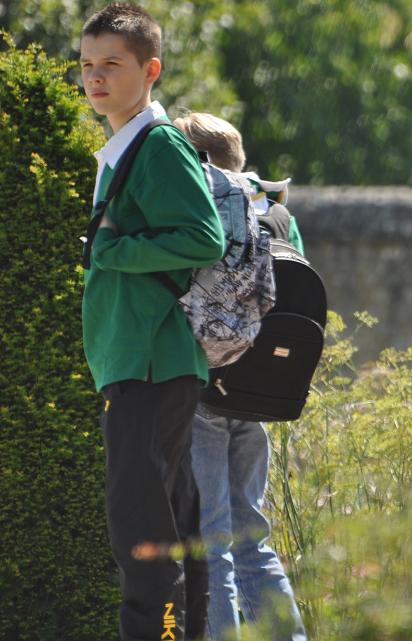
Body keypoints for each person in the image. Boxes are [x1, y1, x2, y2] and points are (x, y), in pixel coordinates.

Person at [79, 4, 225, 640]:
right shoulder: (124, 146)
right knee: (170, 524)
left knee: (142, 528)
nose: (96, 77)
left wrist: (111, 251)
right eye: (87, 65)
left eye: (113, 63)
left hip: (149, 362)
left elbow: (203, 236)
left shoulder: (156, 143)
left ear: (151, 70)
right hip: (142, 361)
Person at [172, 112, 308, 641]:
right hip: (261, 394)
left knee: (210, 543)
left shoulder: (203, 207)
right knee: (253, 538)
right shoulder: (274, 213)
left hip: (205, 385)